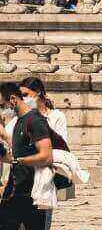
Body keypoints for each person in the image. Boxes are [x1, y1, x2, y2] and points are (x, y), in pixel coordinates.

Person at [0, 80, 53, 228]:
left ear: (12, 100)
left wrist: (20, 160)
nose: (2, 110)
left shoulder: (35, 121)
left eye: (2, 105)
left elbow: (47, 156)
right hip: (14, 194)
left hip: (31, 195)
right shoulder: (18, 122)